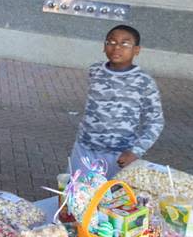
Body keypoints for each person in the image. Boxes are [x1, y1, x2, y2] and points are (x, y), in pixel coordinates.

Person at [70, 24, 165, 177]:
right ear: (104, 46)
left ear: (137, 50)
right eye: (111, 42)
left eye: (125, 43)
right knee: (79, 196)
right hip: (85, 150)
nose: (116, 48)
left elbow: (155, 121)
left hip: (120, 156)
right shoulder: (95, 70)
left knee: (113, 199)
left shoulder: (144, 81)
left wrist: (135, 152)